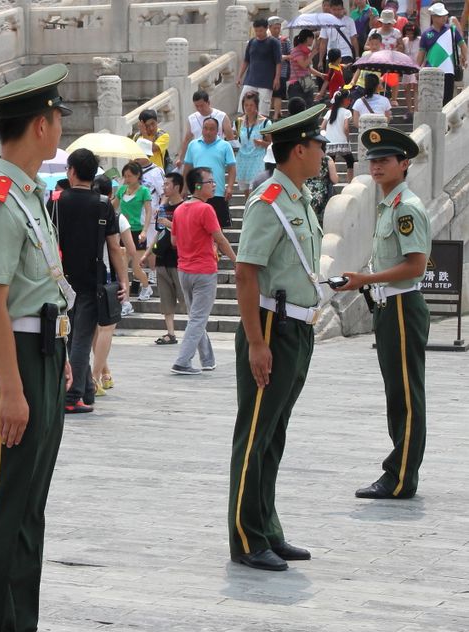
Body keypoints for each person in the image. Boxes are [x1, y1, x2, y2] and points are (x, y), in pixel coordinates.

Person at [0, 63, 78, 632]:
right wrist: (11, 386)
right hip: (11, 366)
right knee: (1, 505)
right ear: (41, 124)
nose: (59, 127)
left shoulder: (30, 193)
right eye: (58, 118)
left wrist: (50, 362)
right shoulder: (1, 200)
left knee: (30, 505)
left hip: (40, 356)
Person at [229, 105, 329, 571]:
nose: (324, 150)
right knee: (254, 434)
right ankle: (247, 538)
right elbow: (246, 273)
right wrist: (255, 342)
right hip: (271, 325)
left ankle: (267, 526)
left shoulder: (299, 196)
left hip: (297, 327)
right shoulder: (269, 200)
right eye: (319, 144)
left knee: (274, 433)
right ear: (299, 150)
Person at [334, 128, 430, 500]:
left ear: (404, 164)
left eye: (384, 160)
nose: (376, 166)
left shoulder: (405, 207)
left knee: (406, 394)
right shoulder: (388, 204)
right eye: (373, 160)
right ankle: (400, 469)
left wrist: (367, 277)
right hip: (390, 306)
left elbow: (416, 265)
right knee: (397, 392)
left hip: (404, 305)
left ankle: (402, 476)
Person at [52, 148, 127, 414]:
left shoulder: (56, 202)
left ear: (71, 171)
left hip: (60, 280)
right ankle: (74, 396)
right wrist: (123, 281)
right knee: (82, 338)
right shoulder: (103, 204)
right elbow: (114, 247)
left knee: (71, 338)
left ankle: (83, 391)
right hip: (91, 280)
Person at [169, 167, 236, 375]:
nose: (214, 185)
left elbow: (173, 241)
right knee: (198, 318)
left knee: (195, 316)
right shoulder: (206, 209)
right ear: (198, 186)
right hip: (203, 270)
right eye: (210, 182)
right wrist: (236, 260)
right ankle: (183, 361)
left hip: (184, 270)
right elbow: (220, 238)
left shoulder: (180, 209)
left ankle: (207, 359)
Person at [89, 175, 129, 393]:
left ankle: (105, 373)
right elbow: (121, 249)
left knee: (95, 329)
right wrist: (128, 278)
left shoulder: (84, 211)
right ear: (111, 193)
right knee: (107, 328)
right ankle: (95, 377)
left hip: (84, 275)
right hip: (106, 275)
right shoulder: (115, 215)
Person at [182, 117, 237, 230]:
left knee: (217, 229)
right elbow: (187, 167)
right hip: (197, 193)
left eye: (212, 129)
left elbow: (232, 167)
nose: (208, 132)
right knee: (197, 227)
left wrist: (230, 187)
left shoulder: (225, 146)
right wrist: (184, 187)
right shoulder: (193, 145)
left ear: (218, 131)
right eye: (205, 128)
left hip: (217, 193)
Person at [152, 171, 185, 346]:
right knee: (165, 299)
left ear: (177, 187)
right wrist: (148, 253)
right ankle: (170, 333)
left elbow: (188, 231)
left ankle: (196, 330)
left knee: (184, 297)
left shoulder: (185, 207)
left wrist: (170, 224)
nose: (164, 187)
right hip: (162, 258)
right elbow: (159, 232)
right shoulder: (163, 207)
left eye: (167, 184)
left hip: (179, 259)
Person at [114, 161, 155, 301]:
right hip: (123, 232)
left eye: (129, 176)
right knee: (123, 266)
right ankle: (125, 300)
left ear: (138, 175)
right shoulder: (121, 190)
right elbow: (113, 207)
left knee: (136, 268)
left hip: (137, 232)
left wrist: (144, 231)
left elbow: (149, 211)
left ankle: (146, 286)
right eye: (125, 176)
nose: (126, 179)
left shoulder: (144, 191)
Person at [418, 3, 467, 105]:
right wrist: (416, 68)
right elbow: (421, 54)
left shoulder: (452, 30)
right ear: (433, 17)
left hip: (449, 70)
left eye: (445, 15)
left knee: (447, 100)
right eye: (440, 16)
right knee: (432, 101)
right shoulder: (426, 34)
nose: (444, 18)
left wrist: (465, 58)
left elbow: (462, 45)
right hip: (431, 70)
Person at [237, 18, 282, 116]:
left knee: (262, 110)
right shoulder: (252, 42)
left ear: (266, 29)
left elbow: (278, 62)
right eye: (256, 30)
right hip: (250, 79)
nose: (258, 33)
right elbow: (246, 60)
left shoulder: (274, 42)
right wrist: (239, 76)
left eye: (260, 30)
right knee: (243, 107)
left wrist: (277, 78)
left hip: (266, 81)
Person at [176, 90, 235, 164]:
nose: (200, 109)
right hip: (198, 158)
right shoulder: (192, 119)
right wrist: (181, 159)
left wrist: (232, 160)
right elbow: (187, 140)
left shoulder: (221, 116)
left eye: (202, 105)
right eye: (197, 106)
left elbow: (230, 139)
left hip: (217, 157)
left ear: (208, 103)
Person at [235, 91, 272, 199]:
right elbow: (237, 139)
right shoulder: (238, 122)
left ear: (256, 105)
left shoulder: (265, 123)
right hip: (242, 160)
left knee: (255, 191)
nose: (248, 108)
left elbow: (270, 143)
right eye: (246, 105)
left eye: (251, 105)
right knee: (246, 193)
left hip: (258, 159)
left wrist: (262, 143)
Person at [287, 29, 326, 106]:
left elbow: (308, 68)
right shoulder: (296, 51)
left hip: (306, 81)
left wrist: (321, 74)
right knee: (298, 107)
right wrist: (312, 54)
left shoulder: (306, 52)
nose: (313, 41)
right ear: (308, 38)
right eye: (312, 38)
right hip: (297, 83)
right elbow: (303, 65)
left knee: (308, 105)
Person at [323, 90, 355, 181]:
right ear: (344, 100)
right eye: (349, 99)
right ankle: (350, 182)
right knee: (350, 162)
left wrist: (327, 136)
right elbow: (345, 128)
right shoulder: (347, 112)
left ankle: (330, 182)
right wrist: (347, 137)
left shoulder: (329, 112)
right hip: (342, 142)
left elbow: (322, 127)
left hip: (329, 143)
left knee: (330, 163)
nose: (350, 101)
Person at [304, 146, 339, 223]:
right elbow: (334, 179)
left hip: (306, 191)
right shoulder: (327, 159)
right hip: (322, 193)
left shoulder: (305, 157)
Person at [320, 0, 360, 65]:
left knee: (346, 74)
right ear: (330, 9)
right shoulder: (326, 22)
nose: (336, 12)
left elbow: (354, 39)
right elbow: (323, 42)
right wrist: (320, 60)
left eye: (339, 9)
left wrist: (357, 56)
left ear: (342, 9)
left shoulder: (349, 21)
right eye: (334, 9)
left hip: (346, 54)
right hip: (331, 56)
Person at [268, 16, 293, 119]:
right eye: (275, 28)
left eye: (279, 28)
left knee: (278, 94)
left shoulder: (285, 41)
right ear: (269, 28)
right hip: (268, 71)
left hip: (282, 71)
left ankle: (276, 113)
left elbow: (292, 55)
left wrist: (283, 57)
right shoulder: (266, 41)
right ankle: (273, 111)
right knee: (269, 94)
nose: (277, 30)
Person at [400, 22, 421, 113]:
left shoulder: (420, 40)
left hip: (417, 65)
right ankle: (410, 109)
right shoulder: (404, 40)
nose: (409, 35)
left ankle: (416, 108)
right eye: (407, 33)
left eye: (411, 33)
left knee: (416, 88)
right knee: (406, 88)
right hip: (407, 66)